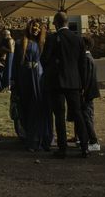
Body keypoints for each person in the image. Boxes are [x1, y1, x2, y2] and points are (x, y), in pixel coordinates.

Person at [41, 11, 88, 158]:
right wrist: (83, 83)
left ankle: (63, 148)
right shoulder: (78, 39)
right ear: (67, 22)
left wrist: (54, 66)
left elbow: (44, 59)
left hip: (56, 82)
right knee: (78, 114)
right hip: (74, 82)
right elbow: (83, 64)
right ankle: (84, 147)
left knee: (59, 116)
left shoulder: (52, 38)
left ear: (55, 23)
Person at [12, 19, 53, 152]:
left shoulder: (44, 43)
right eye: (33, 27)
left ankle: (42, 138)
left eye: (38, 27)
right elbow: (16, 65)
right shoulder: (20, 43)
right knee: (27, 106)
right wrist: (14, 82)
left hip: (40, 78)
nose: (35, 29)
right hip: (25, 78)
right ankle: (30, 137)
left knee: (40, 108)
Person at [75, 35, 101, 152]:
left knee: (86, 117)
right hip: (89, 92)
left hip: (87, 93)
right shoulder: (89, 57)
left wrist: (82, 91)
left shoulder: (86, 58)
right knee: (86, 115)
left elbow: (85, 77)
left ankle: (94, 141)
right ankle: (84, 138)